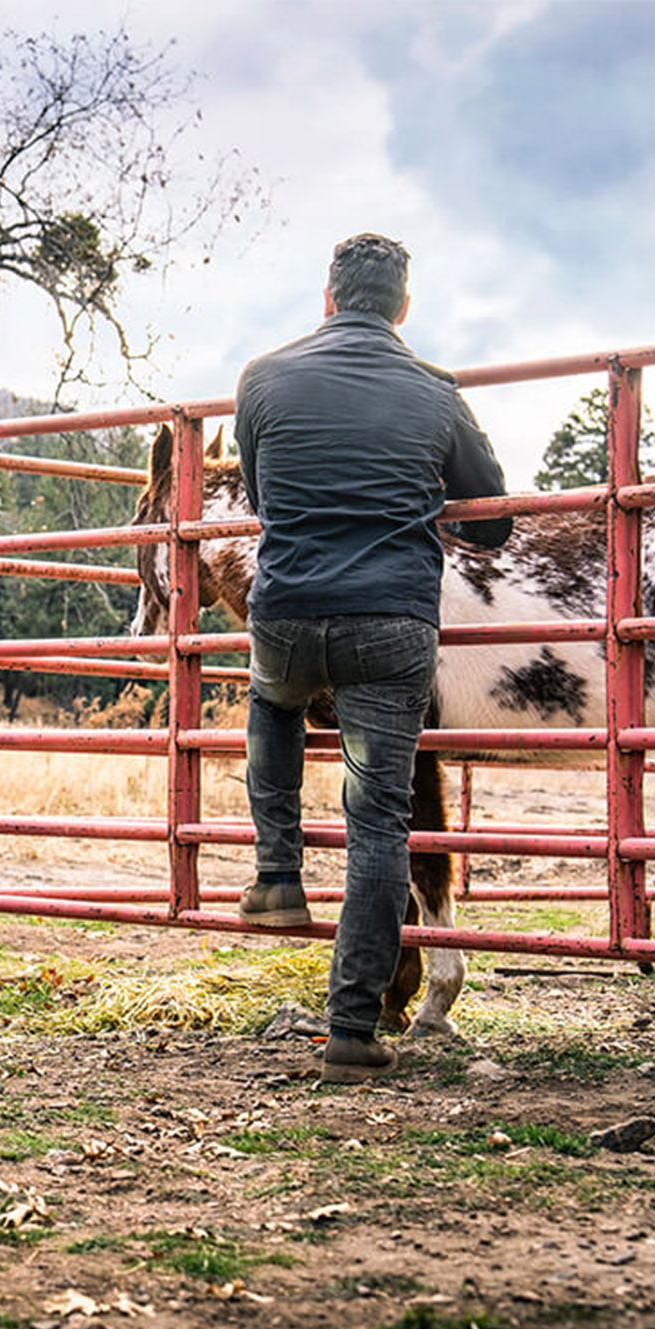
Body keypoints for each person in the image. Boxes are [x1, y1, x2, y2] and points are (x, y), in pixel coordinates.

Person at [232, 233, 510, 1084]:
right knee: (381, 825)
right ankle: (353, 1028)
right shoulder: (436, 392)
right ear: (403, 308)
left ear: (327, 297)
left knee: (272, 704)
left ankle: (276, 871)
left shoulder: (261, 378)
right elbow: (494, 519)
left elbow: (256, 489)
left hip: (284, 614)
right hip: (390, 626)